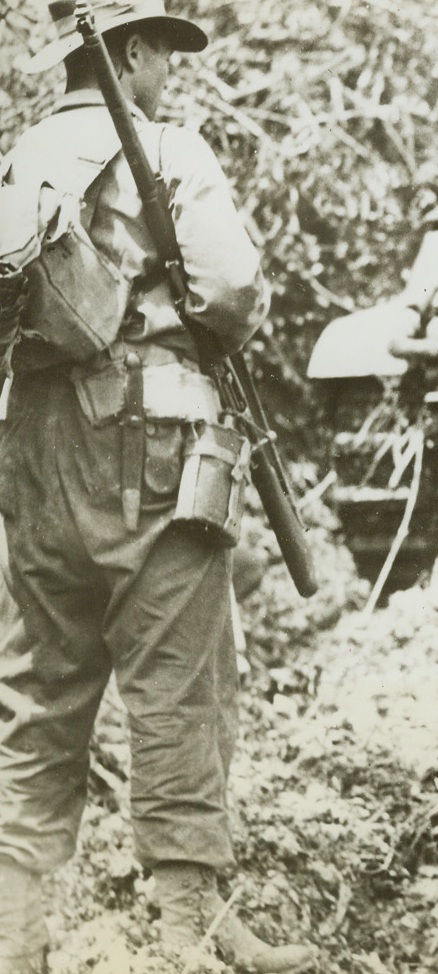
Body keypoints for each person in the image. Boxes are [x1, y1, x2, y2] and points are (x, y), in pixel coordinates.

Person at [0, 3, 316, 972]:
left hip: (34, 451)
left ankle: (15, 936)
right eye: (164, 58)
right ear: (129, 53)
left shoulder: (20, 158)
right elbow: (233, 289)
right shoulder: (168, 149)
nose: (169, 78)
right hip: (154, 450)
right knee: (179, 682)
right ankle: (191, 933)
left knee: (39, 692)